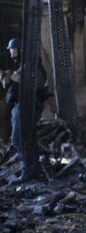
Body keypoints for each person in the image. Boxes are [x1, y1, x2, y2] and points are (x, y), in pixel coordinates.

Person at [5, 38, 48, 182]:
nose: (11, 54)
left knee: (18, 139)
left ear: (19, 50)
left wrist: (19, 79)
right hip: (20, 107)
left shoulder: (34, 68)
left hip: (27, 108)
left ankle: (29, 170)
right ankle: (33, 169)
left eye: (13, 50)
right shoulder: (23, 67)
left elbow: (35, 86)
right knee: (29, 139)